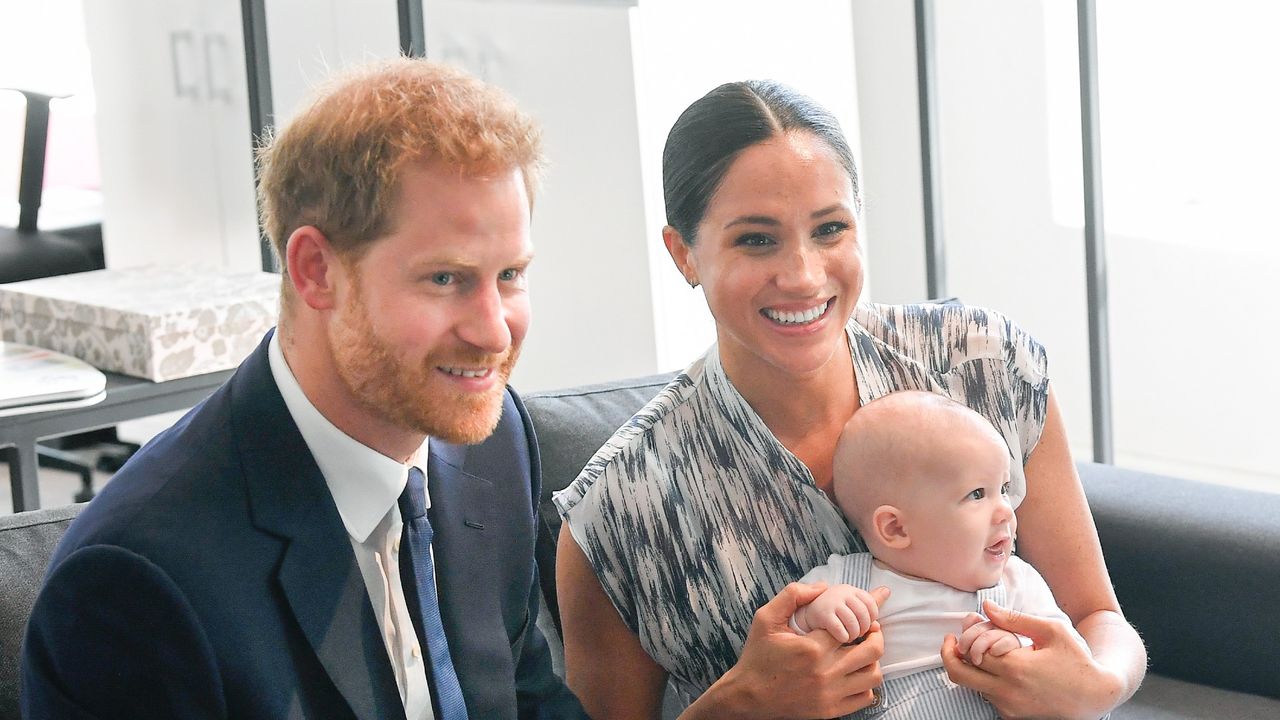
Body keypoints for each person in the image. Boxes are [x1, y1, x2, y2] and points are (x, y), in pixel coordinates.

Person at [554, 79, 1145, 720]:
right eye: (756, 239)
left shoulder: (983, 364)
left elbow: (1096, 615)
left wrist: (1098, 685)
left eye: (830, 229)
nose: (804, 275)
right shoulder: (619, 509)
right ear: (683, 254)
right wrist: (738, 707)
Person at [22, 58, 586, 719]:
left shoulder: (491, 442)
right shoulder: (133, 587)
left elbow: (527, 701)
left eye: (511, 274)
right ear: (316, 271)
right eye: (445, 279)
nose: (494, 332)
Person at [790, 390, 1090, 719]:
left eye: (1002, 489)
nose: (1005, 510)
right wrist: (815, 614)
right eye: (977, 494)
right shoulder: (844, 584)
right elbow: (784, 647)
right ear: (895, 529)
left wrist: (1018, 649)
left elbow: (1065, 662)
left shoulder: (1017, 584)